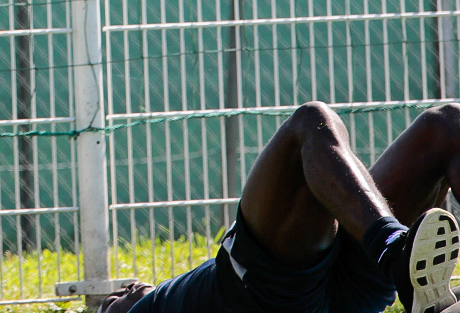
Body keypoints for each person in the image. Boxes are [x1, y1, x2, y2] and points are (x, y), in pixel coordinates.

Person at [101, 101, 460, 313]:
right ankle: (392, 250)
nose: (125, 289)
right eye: (112, 300)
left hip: (345, 288)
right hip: (266, 295)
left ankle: (395, 255)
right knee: (310, 122)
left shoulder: (167, 293)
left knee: (447, 124)